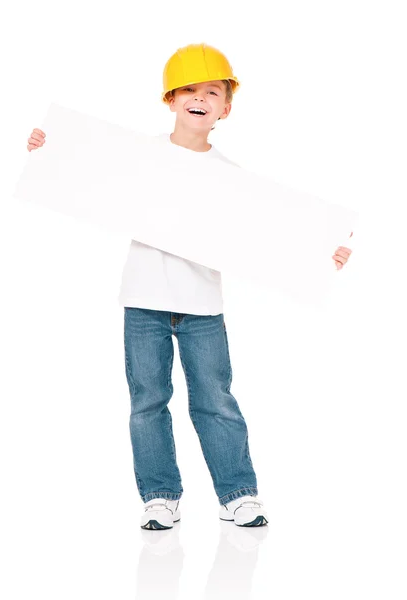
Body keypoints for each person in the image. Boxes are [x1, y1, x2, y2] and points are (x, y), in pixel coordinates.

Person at [26, 43, 353, 531]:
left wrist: (323, 253)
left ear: (226, 107)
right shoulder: (136, 156)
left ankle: (237, 494)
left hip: (202, 308)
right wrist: (46, 149)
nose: (199, 98)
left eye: (212, 91)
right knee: (147, 402)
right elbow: (84, 172)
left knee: (215, 400)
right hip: (142, 302)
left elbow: (270, 236)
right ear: (170, 100)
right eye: (189, 90)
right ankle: (159, 497)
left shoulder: (233, 180)